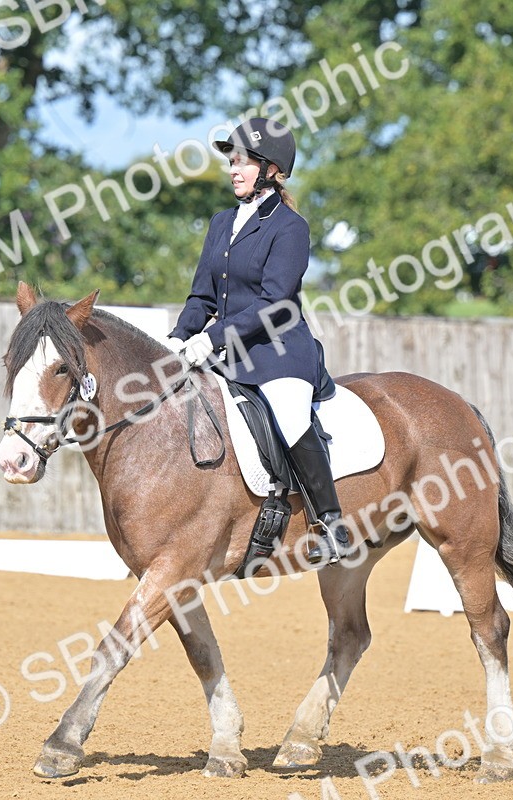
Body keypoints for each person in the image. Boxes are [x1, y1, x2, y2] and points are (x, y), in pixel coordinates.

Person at [166, 118, 352, 566]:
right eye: (232, 161)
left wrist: (210, 338)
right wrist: (177, 335)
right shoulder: (220, 222)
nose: (234, 169)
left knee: (288, 417)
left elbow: (274, 303)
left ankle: (330, 521)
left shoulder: (290, 228)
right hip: (230, 356)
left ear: (273, 169)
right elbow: (202, 295)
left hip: (280, 354)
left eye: (244, 161)